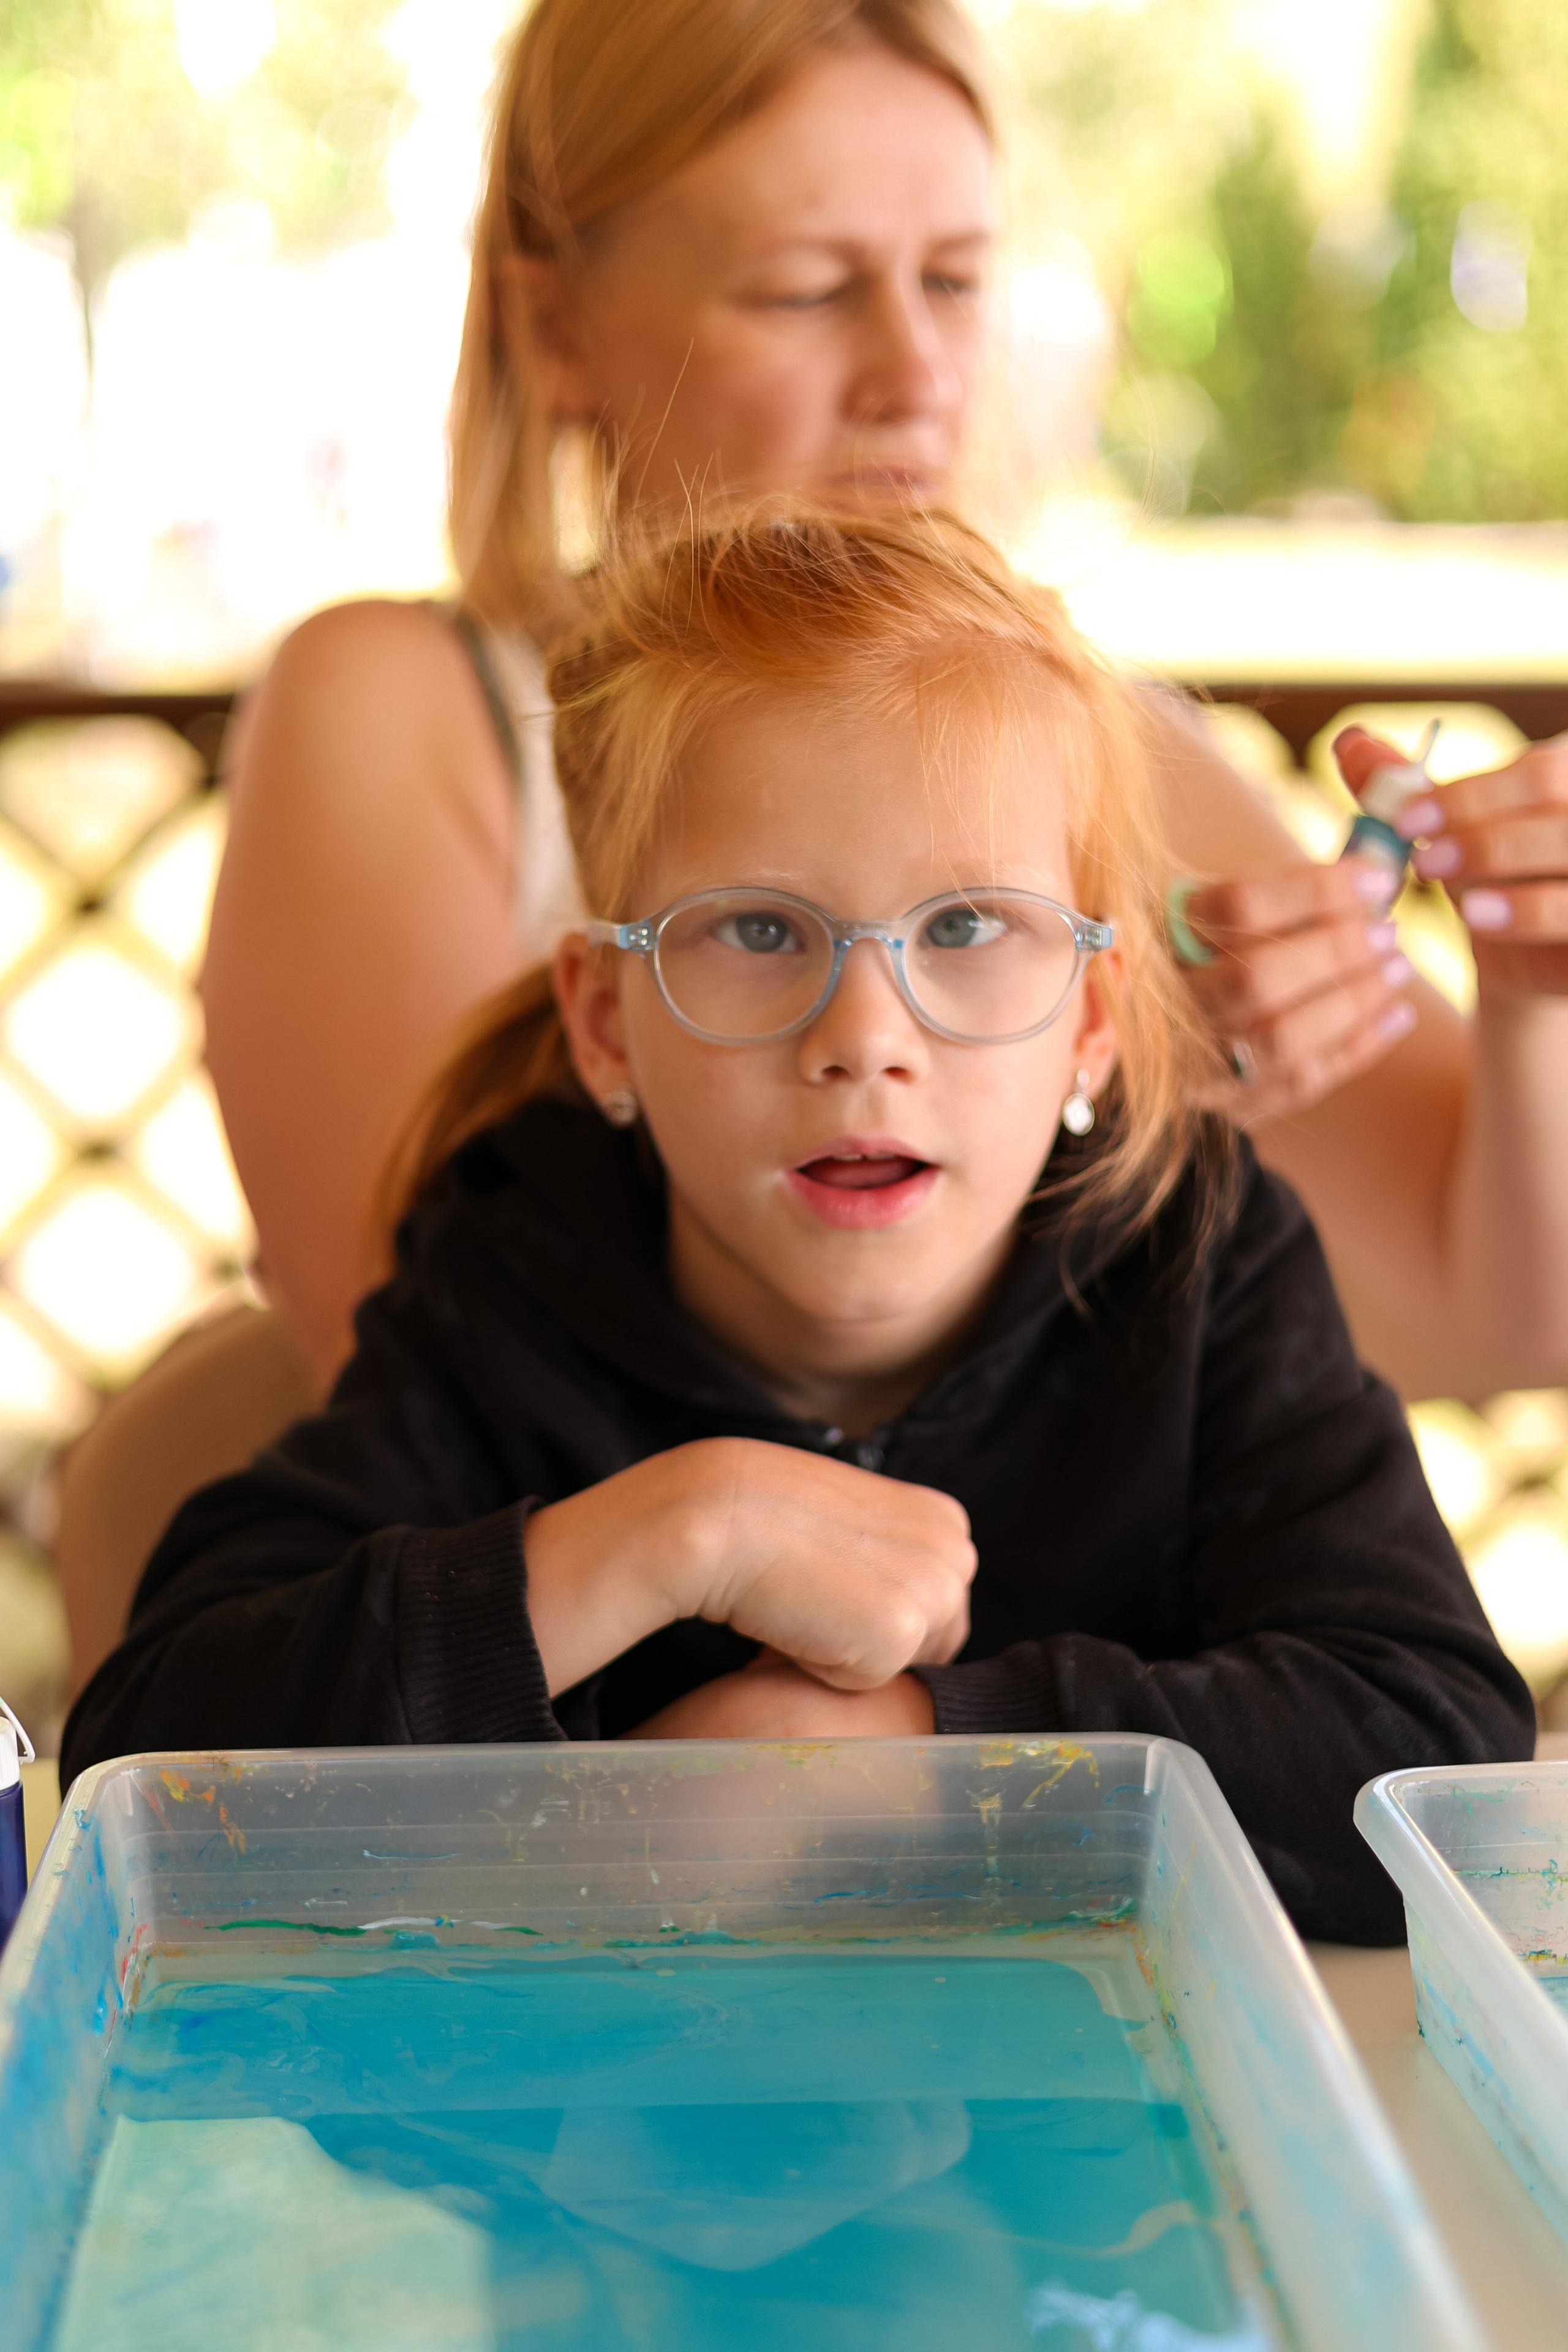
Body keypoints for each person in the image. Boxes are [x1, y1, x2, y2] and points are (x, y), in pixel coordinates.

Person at [62, 508, 1532, 1945]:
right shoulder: (508, 1284)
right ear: (604, 1026)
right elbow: (158, 1753)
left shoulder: (1194, 1253)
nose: (864, 1040)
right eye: (760, 932)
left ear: (1089, 1023)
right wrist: (659, 1538)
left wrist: (882, 1761)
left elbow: (1425, 1744)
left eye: (964, 928)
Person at [201, 0, 1568, 1417]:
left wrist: (1534, 995)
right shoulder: (408, 708)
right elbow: (435, 1374)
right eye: (804, 290)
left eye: (959, 283)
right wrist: (1061, 1059)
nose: (916, 379)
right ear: (556, 326)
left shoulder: (1092, 746)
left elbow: (1499, 1317)